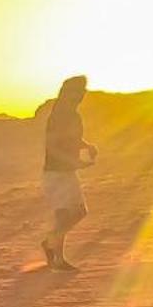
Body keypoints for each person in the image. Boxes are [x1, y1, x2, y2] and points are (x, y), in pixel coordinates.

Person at [41, 74, 96, 271]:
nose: (83, 94)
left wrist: (86, 146)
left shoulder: (72, 115)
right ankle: (57, 258)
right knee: (64, 215)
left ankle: (51, 245)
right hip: (56, 173)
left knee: (79, 212)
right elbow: (53, 146)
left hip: (67, 172)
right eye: (81, 90)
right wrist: (74, 162)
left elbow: (70, 139)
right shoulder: (59, 116)